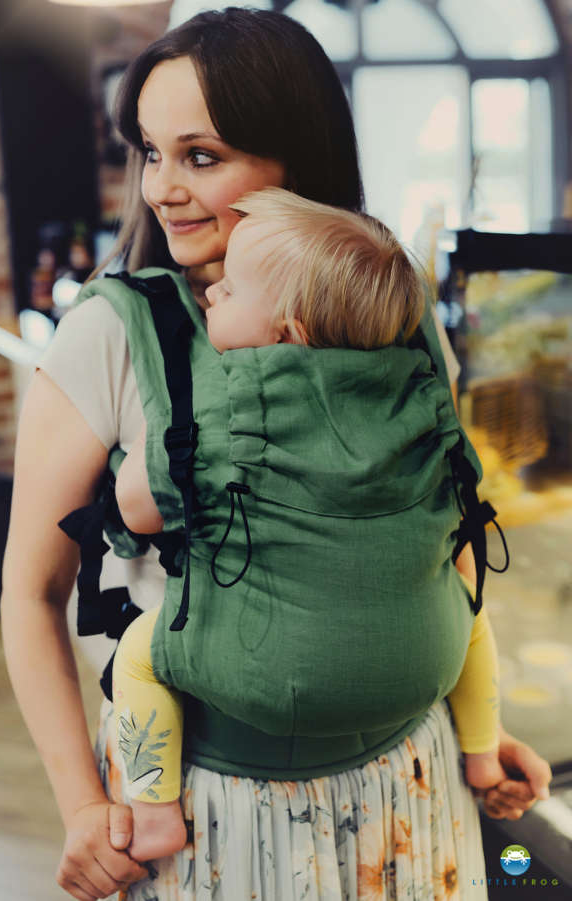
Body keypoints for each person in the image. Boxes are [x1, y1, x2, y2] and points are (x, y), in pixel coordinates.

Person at [0, 9, 552, 901]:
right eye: (150, 151)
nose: (161, 189)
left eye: (202, 156)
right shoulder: (111, 332)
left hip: (409, 781)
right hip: (205, 808)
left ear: (297, 160)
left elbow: (429, 536)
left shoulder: (392, 315)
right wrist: (79, 804)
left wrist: (480, 735)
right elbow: (29, 593)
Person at [112, 186, 504, 863]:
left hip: (274, 678)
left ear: (286, 332)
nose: (210, 296)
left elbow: (135, 509)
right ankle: (486, 756)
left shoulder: (225, 412)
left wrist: (151, 430)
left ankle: (151, 811)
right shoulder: (421, 396)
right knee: (469, 610)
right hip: (422, 670)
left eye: (230, 292)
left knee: (140, 653)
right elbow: (461, 505)